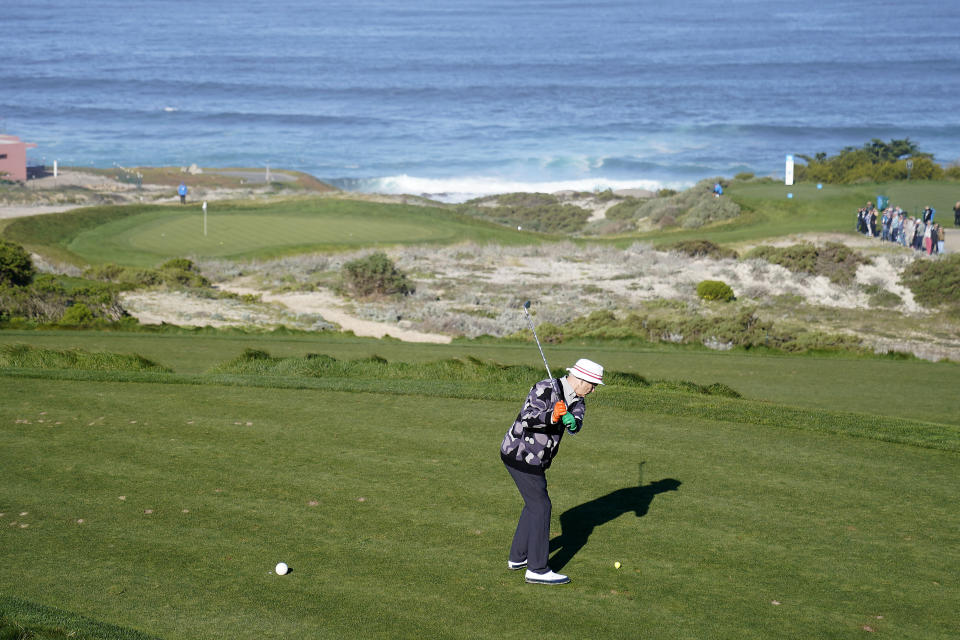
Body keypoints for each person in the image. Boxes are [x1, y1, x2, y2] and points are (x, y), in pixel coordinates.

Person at [500, 358, 604, 585]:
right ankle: (537, 568)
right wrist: (552, 416)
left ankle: (518, 557)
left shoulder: (578, 400)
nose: (593, 390)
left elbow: (576, 425)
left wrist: (571, 421)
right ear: (579, 379)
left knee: (534, 503)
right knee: (541, 506)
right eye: (592, 384)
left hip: (538, 460)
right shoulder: (544, 388)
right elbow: (528, 418)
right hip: (520, 454)